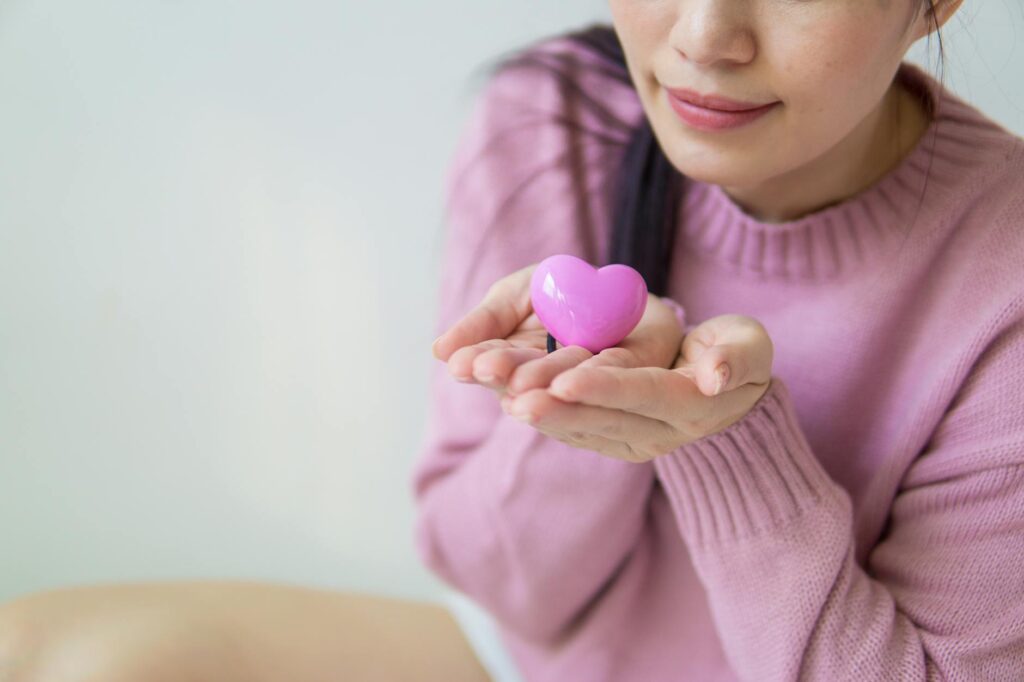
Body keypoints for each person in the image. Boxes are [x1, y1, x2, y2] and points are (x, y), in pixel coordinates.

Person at [2, 1, 1021, 680]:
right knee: (47, 652)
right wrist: (579, 402)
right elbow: (506, 588)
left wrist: (726, 440)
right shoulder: (559, 119)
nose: (707, 38)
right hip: (531, 657)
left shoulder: (1001, 278)